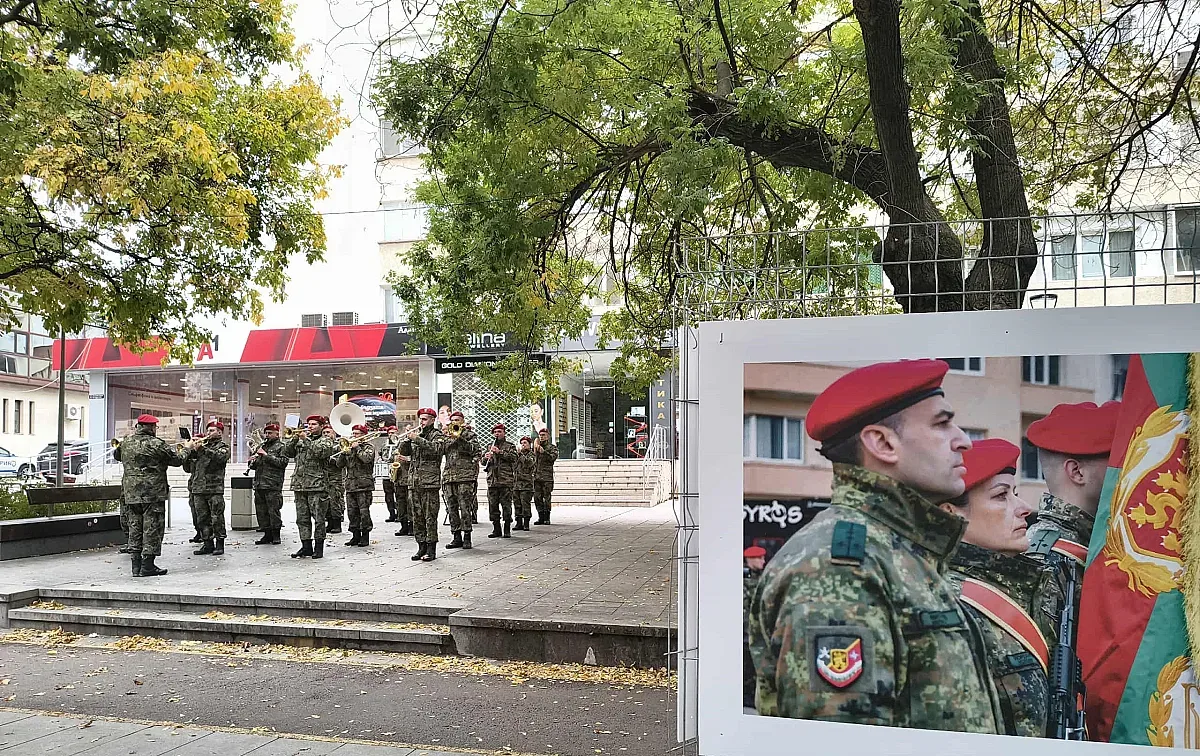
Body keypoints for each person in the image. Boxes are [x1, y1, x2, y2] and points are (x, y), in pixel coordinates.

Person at [748, 359, 1000, 732]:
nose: (963, 440)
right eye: (942, 423)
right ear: (882, 443)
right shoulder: (838, 566)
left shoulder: (903, 550)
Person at [940, 438, 1063, 738]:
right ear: (952, 514)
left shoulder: (1029, 582)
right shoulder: (946, 602)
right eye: (1001, 496)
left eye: (1016, 493)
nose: (1025, 509)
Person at [1024, 401, 1122, 560]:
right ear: (1077, 472)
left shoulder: (1090, 538)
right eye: (1117, 461)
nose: (1125, 469)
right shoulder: (1051, 556)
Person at [112, 414, 183, 577]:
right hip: (153, 494)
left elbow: (117, 456)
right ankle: (148, 565)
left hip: (131, 493)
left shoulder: (126, 442)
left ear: (138, 426)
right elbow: (177, 460)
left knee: (135, 527)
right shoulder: (157, 444)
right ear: (151, 428)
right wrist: (187, 448)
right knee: (152, 528)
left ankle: (135, 566)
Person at [283, 415, 338, 559]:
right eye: (309, 424)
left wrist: (305, 439)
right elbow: (287, 453)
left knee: (319, 519)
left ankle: (318, 548)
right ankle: (306, 546)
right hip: (300, 485)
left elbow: (321, 452)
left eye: (314, 424)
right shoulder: (300, 440)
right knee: (302, 518)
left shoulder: (326, 440)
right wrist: (294, 438)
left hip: (317, 485)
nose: (310, 426)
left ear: (321, 426)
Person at [399, 407, 446, 561]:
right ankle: (421, 547)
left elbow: (436, 449)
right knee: (417, 517)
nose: (421, 422)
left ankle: (431, 549)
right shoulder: (416, 435)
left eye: (425, 419)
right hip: (414, 482)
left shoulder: (437, 435)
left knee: (430, 517)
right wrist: (406, 439)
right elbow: (404, 452)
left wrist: (416, 439)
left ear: (433, 420)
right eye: (420, 419)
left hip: (429, 483)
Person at [181, 420, 231, 556]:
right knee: (202, 518)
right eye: (208, 431)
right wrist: (188, 452)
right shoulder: (200, 446)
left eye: (212, 431)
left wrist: (201, 449)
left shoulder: (223, 446)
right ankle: (207, 543)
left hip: (214, 488)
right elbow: (188, 469)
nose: (208, 433)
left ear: (220, 432)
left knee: (217, 517)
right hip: (198, 488)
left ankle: (220, 544)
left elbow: (220, 458)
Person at [442, 410, 481, 549]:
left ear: (463, 421)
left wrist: (460, 438)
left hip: (465, 476)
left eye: (458, 420)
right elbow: (440, 450)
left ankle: (467, 536)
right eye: (453, 420)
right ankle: (456, 536)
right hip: (449, 477)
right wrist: (447, 437)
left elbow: (475, 450)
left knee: (465, 507)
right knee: (451, 508)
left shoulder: (470, 435)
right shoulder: (447, 436)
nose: (455, 422)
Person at [248, 422, 288, 546]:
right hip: (260, 483)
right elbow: (256, 466)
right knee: (261, 511)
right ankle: (266, 534)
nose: (267, 435)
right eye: (266, 433)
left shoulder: (282, 446)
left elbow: (283, 462)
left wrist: (266, 456)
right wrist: (252, 462)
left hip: (273, 483)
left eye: (270, 433)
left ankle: (276, 535)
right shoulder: (262, 445)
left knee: (273, 510)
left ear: (277, 434)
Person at [337, 423, 377, 547]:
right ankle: (355, 535)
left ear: (364, 435)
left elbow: (367, 459)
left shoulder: (368, 447)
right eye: (353, 433)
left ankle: (365, 536)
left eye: (357, 434)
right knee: (352, 512)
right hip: (350, 485)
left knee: (363, 512)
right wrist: (344, 453)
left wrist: (357, 448)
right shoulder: (349, 448)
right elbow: (339, 465)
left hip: (364, 485)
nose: (354, 436)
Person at [743, 545, 767, 710]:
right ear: (750, 560)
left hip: (758, 630)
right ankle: (747, 695)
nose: (763, 561)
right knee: (748, 666)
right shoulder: (744, 580)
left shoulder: (762, 578)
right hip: (748, 631)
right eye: (759, 558)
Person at [484, 423, 518, 538]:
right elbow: (483, 463)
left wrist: (500, 452)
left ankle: (507, 528)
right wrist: (485, 458)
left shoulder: (510, 446)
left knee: (506, 506)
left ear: (504, 433)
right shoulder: (489, 446)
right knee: (493, 506)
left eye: (499, 432)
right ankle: (496, 528)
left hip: (505, 480)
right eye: (495, 432)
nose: (497, 434)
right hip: (492, 481)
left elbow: (514, 458)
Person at [531, 427, 559, 525]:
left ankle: (547, 517)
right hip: (537, 476)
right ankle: (540, 516)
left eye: (543, 435)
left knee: (546, 497)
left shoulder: (552, 447)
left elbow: (552, 458)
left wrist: (544, 452)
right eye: (540, 435)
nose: (541, 437)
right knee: (537, 497)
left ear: (548, 436)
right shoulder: (535, 447)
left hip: (547, 477)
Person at [322, 424, 346, 535]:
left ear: (334, 433)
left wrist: (331, 460)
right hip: (324, 477)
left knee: (335, 501)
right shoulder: (321, 445)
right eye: (324, 432)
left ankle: (337, 524)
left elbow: (340, 463)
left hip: (336, 478)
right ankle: (330, 523)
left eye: (328, 432)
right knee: (326, 501)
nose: (326, 434)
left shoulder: (338, 446)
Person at [390, 440, 413, 537]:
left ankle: (412, 526)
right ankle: (403, 526)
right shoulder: (396, 452)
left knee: (410, 504)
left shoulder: (411, 450)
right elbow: (389, 460)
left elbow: (417, 461)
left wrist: (407, 459)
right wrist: (395, 457)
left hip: (408, 480)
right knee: (400, 505)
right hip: (398, 481)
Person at [380, 426, 402, 523]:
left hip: (397, 470)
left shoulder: (400, 443)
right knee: (388, 495)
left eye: (393, 432)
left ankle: (399, 514)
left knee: (398, 494)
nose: (391, 435)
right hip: (387, 471)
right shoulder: (384, 444)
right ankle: (391, 513)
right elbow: (381, 454)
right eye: (389, 433)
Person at [514, 436, 535, 531]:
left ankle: (526, 523)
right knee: (517, 504)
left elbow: (529, 463)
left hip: (526, 484)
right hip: (516, 483)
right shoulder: (517, 455)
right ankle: (518, 522)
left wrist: (520, 455)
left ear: (529, 444)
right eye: (521, 443)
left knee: (525, 504)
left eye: (525, 443)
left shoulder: (532, 454)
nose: (523, 445)